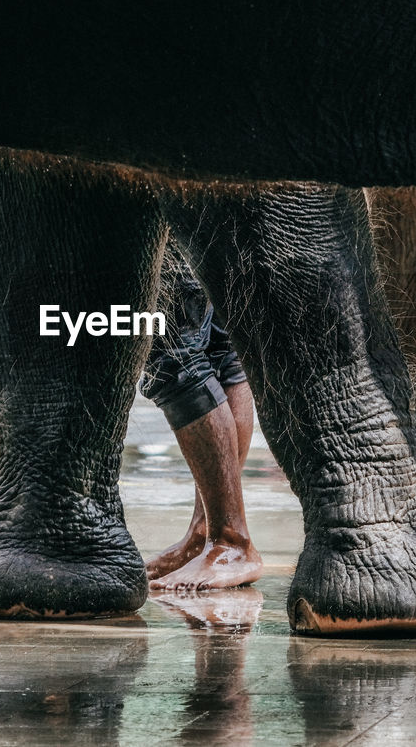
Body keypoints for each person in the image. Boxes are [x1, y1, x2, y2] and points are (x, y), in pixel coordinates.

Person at [140, 244, 263, 590]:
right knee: (222, 352)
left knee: (170, 351)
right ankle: (208, 535)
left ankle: (230, 541)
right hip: (226, 206)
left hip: (178, 203)